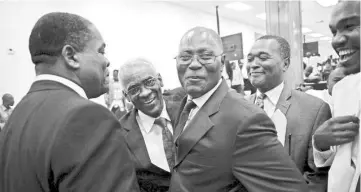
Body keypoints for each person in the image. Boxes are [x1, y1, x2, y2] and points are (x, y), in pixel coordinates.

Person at [0, 12, 139, 192]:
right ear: (71, 56)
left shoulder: (17, 116)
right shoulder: (89, 118)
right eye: (101, 51)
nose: (107, 60)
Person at [170, 26, 308, 192]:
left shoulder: (245, 119)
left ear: (222, 62)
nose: (193, 64)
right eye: (185, 57)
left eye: (205, 56)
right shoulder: (186, 104)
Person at [246, 35, 331, 191]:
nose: (253, 65)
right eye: (250, 59)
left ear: (285, 64)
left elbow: (318, 175)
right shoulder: (239, 106)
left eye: (263, 58)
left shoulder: (314, 110)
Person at [313, 1, 360, 192]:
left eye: (350, 26)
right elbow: (345, 155)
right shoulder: (343, 89)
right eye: (334, 32)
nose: (337, 40)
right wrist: (321, 144)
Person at [118, 58, 180, 191]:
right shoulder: (119, 134)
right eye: (134, 89)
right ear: (126, 96)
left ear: (160, 80)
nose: (145, 92)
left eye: (149, 82)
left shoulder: (187, 112)